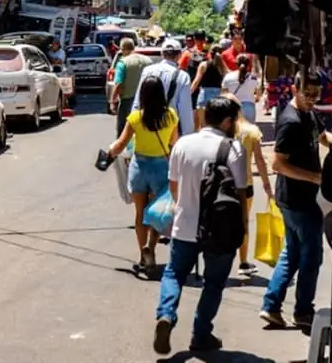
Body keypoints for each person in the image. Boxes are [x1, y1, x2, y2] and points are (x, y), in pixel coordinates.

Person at [153, 97, 248, 355]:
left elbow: (173, 187)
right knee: (214, 283)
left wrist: (185, 205)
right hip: (220, 228)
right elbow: (240, 193)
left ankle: (166, 314)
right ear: (227, 121)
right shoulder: (234, 149)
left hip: (184, 225)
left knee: (174, 273)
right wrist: (243, 227)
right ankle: (201, 334)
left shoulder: (182, 144)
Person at [260, 73, 332, 328]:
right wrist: (316, 178)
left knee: (292, 253)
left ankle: (271, 305)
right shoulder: (290, 121)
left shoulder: (309, 113)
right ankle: (303, 311)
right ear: (295, 89)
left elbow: (322, 135)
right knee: (311, 256)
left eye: (317, 94)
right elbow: (278, 163)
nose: (313, 99)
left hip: (299, 199)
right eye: (308, 94)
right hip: (297, 199)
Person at [106, 77, 179, 273]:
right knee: (154, 212)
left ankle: (142, 255)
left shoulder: (136, 118)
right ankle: (151, 248)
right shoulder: (171, 116)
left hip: (140, 167)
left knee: (139, 213)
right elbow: (174, 142)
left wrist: (108, 154)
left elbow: (120, 144)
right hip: (161, 168)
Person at [223, 92, 273, 277]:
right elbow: (259, 160)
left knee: (222, 221)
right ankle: (243, 262)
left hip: (223, 184)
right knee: (242, 224)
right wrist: (267, 185)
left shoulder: (221, 130)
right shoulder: (251, 131)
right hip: (245, 186)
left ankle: (222, 258)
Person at [133, 39, 195, 138]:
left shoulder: (147, 71)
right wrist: (187, 135)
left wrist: (134, 127)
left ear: (162, 53)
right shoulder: (183, 76)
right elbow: (184, 109)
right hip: (170, 129)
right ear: (179, 55)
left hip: (147, 125)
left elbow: (138, 100)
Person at [109, 38, 154, 135]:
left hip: (127, 101)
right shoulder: (148, 60)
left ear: (123, 49)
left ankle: (122, 148)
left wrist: (112, 101)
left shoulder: (123, 63)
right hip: (146, 101)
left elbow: (118, 83)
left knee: (123, 130)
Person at [190, 50, 227, 131]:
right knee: (216, 125)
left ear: (209, 54)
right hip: (218, 95)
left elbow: (196, 81)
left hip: (205, 94)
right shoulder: (222, 66)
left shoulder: (204, 65)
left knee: (203, 126)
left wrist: (189, 93)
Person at [222, 55, 262, 123]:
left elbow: (224, 93)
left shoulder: (228, 76)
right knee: (249, 131)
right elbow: (259, 93)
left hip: (233, 107)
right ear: (248, 64)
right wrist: (256, 98)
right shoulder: (253, 77)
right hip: (249, 108)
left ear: (236, 64)